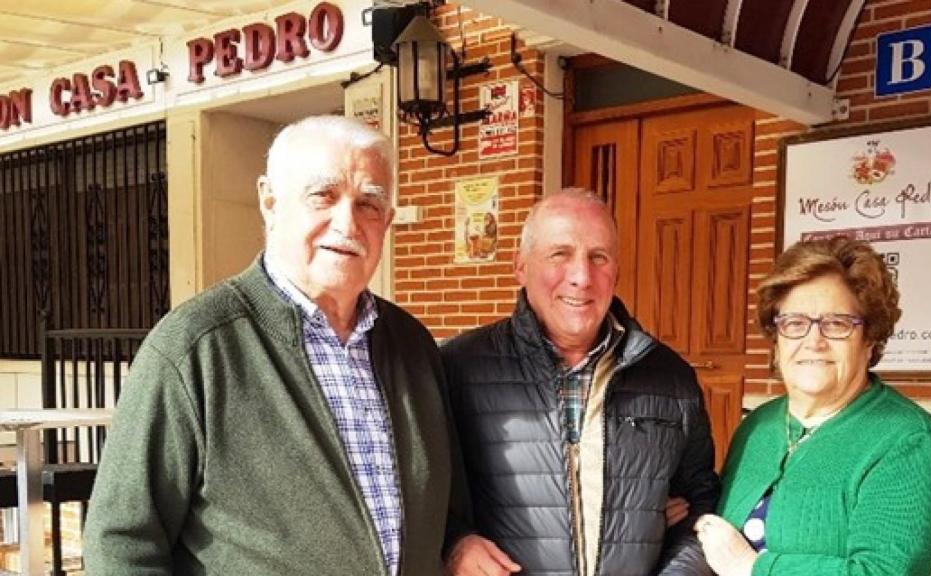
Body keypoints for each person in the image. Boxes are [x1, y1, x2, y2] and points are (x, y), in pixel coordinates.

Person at [84, 116, 454, 575]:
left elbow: (446, 505)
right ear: (270, 202)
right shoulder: (193, 348)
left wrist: (461, 543)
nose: (348, 223)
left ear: (388, 221)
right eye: (323, 196)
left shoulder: (411, 344)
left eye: (369, 204)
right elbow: (122, 542)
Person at [442, 189, 720, 576]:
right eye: (560, 254)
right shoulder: (458, 368)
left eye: (598, 257)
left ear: (616, 271)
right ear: (520, 266)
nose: (581, 277)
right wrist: (454, 544)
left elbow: (701, 501)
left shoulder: (670, 378)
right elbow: (421, 494)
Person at [694, 237, 931, 576]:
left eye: (837, 323)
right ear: (777, 338)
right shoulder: (758, 426)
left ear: (869, 340)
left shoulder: (907, 438)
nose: (813, 341)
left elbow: (884, 571)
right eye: (795, 323)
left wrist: (753, 568)